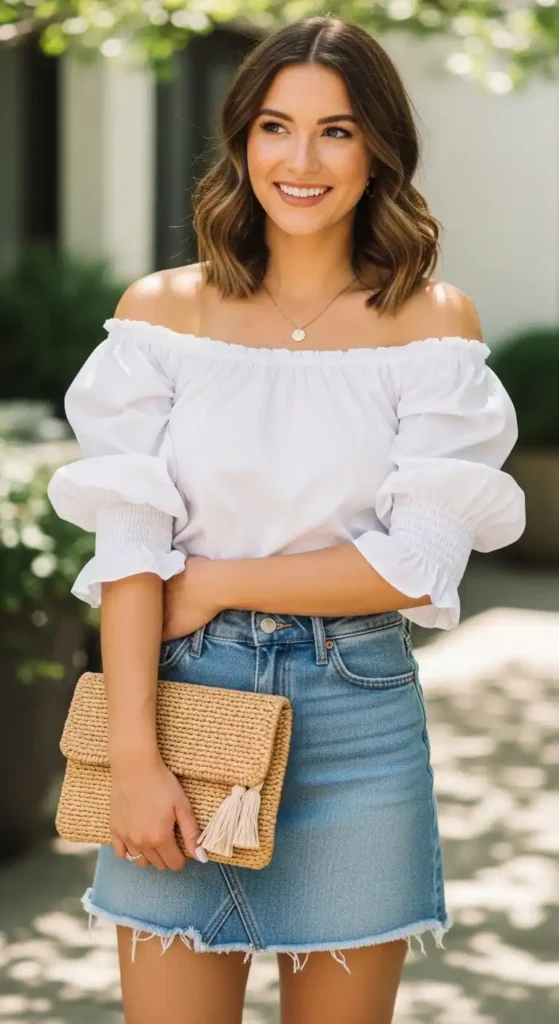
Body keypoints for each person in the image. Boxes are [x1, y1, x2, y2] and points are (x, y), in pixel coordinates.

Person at [47, 15, 526, 1024]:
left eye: (337, 131)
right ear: (241, 140)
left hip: (355, 715)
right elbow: (131, 545)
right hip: (178, 704)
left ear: (379, 149)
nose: (299, 160)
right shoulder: (161, 317)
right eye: (275, 126)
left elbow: (414, 567)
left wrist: (214, 580)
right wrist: (133, 757)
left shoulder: (432, 325)